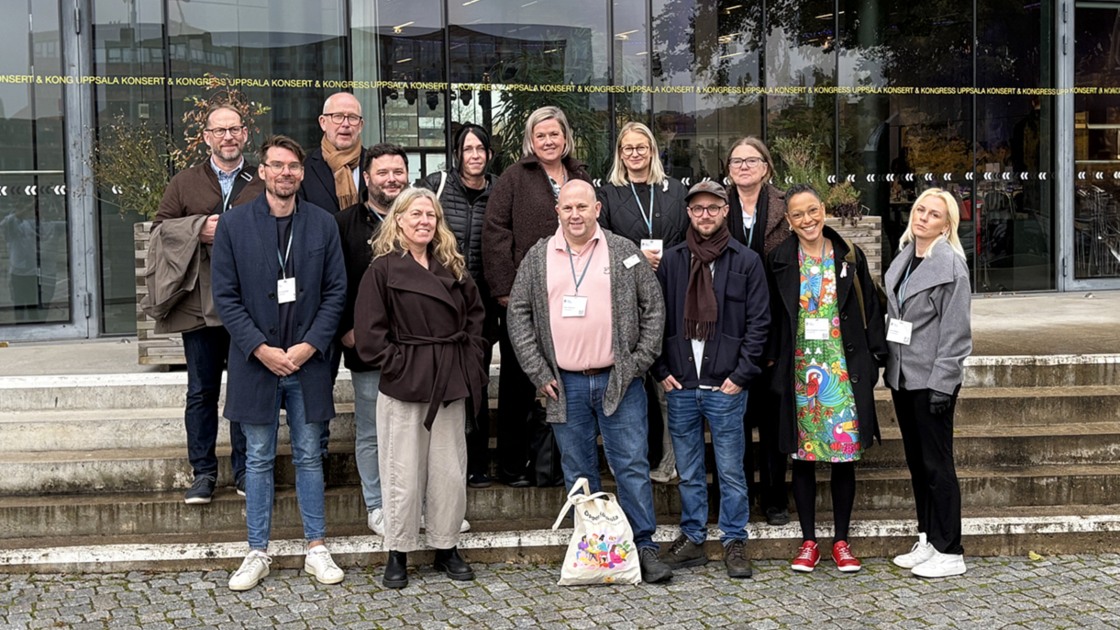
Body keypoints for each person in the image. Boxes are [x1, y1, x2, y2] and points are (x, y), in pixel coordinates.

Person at [506, 179, 673, 584]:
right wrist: (537, 370)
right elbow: (519, 315)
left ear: (597, 209)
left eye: (583, 207)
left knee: (631, 465)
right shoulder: (538, 256)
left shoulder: (623, 252)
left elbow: (653, 308)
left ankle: (644, 546)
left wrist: (638, 363)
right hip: (565, 385)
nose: (575, 215)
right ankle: (594, 546)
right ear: (557, 212)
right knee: (578, 469)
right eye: (568, 208)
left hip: (620, 380)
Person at [211, 135, 348, 592]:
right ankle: (256, 550)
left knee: (311, 456)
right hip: (257, 362)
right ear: (263, 171)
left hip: (308, 362)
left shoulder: (323, 225)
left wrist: (309, 346)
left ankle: (316, 547)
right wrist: (260, 348)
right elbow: (226, 299)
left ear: (301, 174)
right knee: (258, 458)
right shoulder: (233, 226)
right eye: (276, 165)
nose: (285, 172)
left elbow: (336, 293)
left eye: (293, 166)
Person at [353, 187, 489, 590]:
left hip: (449, 379)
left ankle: (446, 546)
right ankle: (398, 550)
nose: (424, 221)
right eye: (415, 214)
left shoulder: (453, 267)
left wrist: (468, 358)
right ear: (398, 220)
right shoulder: (382, 270)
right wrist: (402, 364)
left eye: (430, 215)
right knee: (402, 471)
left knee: (449, 469)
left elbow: (477, 320)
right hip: (405, 384)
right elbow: (369, 335)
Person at [765, 184, 887, 574]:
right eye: (798, 214)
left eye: (812, 210)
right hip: (799, 373)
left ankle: (841, 540)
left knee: (843, 459)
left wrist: (876, 358)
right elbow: (769, 317)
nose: (807, 220)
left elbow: (870, 305)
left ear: (824, 209)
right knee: (802, 458)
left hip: (841, 370)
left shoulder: (849, 255)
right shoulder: (780, 259)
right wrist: (771, 364)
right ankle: (807, 542)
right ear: (788, 220)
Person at [653, 181, 769, 579]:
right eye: (698, 208)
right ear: (689, 213)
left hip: (726, 385)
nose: (705, 215)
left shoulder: (746, 261)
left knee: (731, 469)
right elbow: (656, 317)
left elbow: (759, 324)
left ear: (725, 211)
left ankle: (735, 539)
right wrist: (662, 370)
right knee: (688, 469)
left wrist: (741, 375)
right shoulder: (672, 261)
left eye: (713, 208)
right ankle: (694, 539)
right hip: (682, 383)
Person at [149, 103, 262, 504]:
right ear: (207, 138)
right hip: (200, 304)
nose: (227, 137)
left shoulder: (261, 178)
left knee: (246, 389)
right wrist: (199, 228)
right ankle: (203, 472)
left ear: (245, 134)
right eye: (219, 130)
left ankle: (247, 470)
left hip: (250, 303)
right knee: (201, 390)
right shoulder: (185, 182)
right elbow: (161, 229)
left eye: (234, 129)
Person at [482, 106, 592, 487]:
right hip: (523, 301)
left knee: (568, 382)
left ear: (566, 138)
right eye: (541, 135)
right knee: (517, 382)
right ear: (531, 140)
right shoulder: (514, 178)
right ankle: (513, 466)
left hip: (573, 299)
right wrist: (506, 291)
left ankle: (563, 465)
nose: (548, 141)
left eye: (554, 134)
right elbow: (495, 233)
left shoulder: (580, 175)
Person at [884, 188, 972, 578]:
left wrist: (944, 382)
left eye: (934, 214)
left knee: (938, 466)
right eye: (920, 209)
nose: (923, 217)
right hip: (904, 376)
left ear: (947, 224)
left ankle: (951, 550)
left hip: (932, 380)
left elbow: (956, 332)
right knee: (918, 464)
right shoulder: (906, 258)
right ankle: (928, 538)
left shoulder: (950, 266)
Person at [597, 121, 689, 484]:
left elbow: (686, 239)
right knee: (634, 385)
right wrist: (635, 256)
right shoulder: (607, 194)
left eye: (641, 147)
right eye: (627, 148)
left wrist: (668, 261)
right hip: (625, 300)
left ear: (652, 151)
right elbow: (599, 243)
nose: (635, 154)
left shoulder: (675, 192)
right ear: (620, 154)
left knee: (670, 385)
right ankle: (633, 464)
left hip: (670, 295)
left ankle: (672, 461)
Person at [420, 123, 500, 489]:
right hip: (440, 300)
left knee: (475, 379)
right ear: (457, 153)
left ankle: (476, 460)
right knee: (441, 377)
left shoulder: (499, 190)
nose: (474, 156)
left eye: (480, 149)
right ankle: (438, 463)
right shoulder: (435, 186)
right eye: (468, 149)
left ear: (489, 153)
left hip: (482, 302)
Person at [334, 143, 408, 536]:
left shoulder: (419, 217)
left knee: (415, 431)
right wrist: (345, 329)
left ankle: (416, 502)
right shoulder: (344, 223)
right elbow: (333, 282)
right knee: (372, 432)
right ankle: (377, 505)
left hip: (416, 348)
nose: (391, 179)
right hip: (366, 349)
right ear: (366, 178)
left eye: (398, 171)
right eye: (383, 172)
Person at [726, 136, 791, 526]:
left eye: (752, 160)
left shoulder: (786, 206)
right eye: (737, 161)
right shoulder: (715, 202)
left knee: (771, 417)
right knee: (732, 419)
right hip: (730, 326)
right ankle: (740, 495)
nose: (744, 167)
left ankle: (774, 497)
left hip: (777, 323)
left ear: (766, 167)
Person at [300, 92, 367, 214]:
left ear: (360, 125)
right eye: (338, 116)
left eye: (352, 117)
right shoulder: (304, 167)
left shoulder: (374, 163)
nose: (345, 124)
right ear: (323, 123)